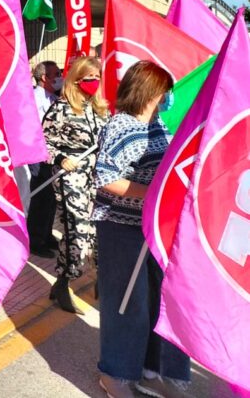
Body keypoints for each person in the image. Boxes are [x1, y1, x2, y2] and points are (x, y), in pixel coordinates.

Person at [93, 61, 190, 398]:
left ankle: (159, 368)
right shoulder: (120, 125)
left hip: (158, 230)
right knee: (126, 304)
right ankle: (116, 373)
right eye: (164, 90)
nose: (168, 97)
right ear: (150, 90)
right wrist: (153, 195)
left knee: (161, 303)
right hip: (122, 228)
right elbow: (105, 179)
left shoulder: (159, 124)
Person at [41, 56, 108, 313]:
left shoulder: (100, 109)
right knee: (76, 232)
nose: (94, 82)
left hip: (96, 178)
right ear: (77, 79)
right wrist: (60, 158)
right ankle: (64, 280)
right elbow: (43, 141)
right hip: (71, 178)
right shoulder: (61, 109)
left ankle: (102, 279)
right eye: (89, 78)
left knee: (97, 230)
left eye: (97, 77)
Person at [27, 61, 62, 258]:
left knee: (51, 196)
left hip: (52, 153)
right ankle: (36, 239)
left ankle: (46, 234)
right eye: (56, 74)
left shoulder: (54, 97)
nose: (59, 77)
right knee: (41, 195)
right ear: (44, 77)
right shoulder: (35, 98)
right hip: (39, 153)